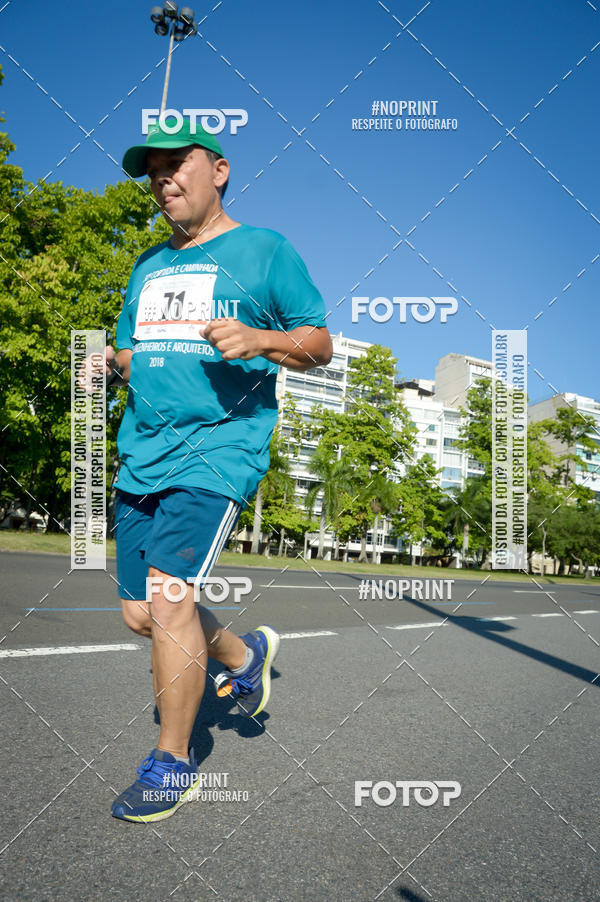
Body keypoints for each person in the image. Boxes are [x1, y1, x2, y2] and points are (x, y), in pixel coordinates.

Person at [104, 118, 332, 823]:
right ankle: (243, 657)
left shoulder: (265, 250)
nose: (163, 179)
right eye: (154, 171)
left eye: (177, 163)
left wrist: (260, 338)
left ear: (219, 170)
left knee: (170, 596)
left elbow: (319, 342)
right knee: (141, 613)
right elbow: (133, 352)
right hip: (143, 451)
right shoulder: (148, 264)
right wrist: (108, 365)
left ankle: (172, 762)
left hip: (217, 449)